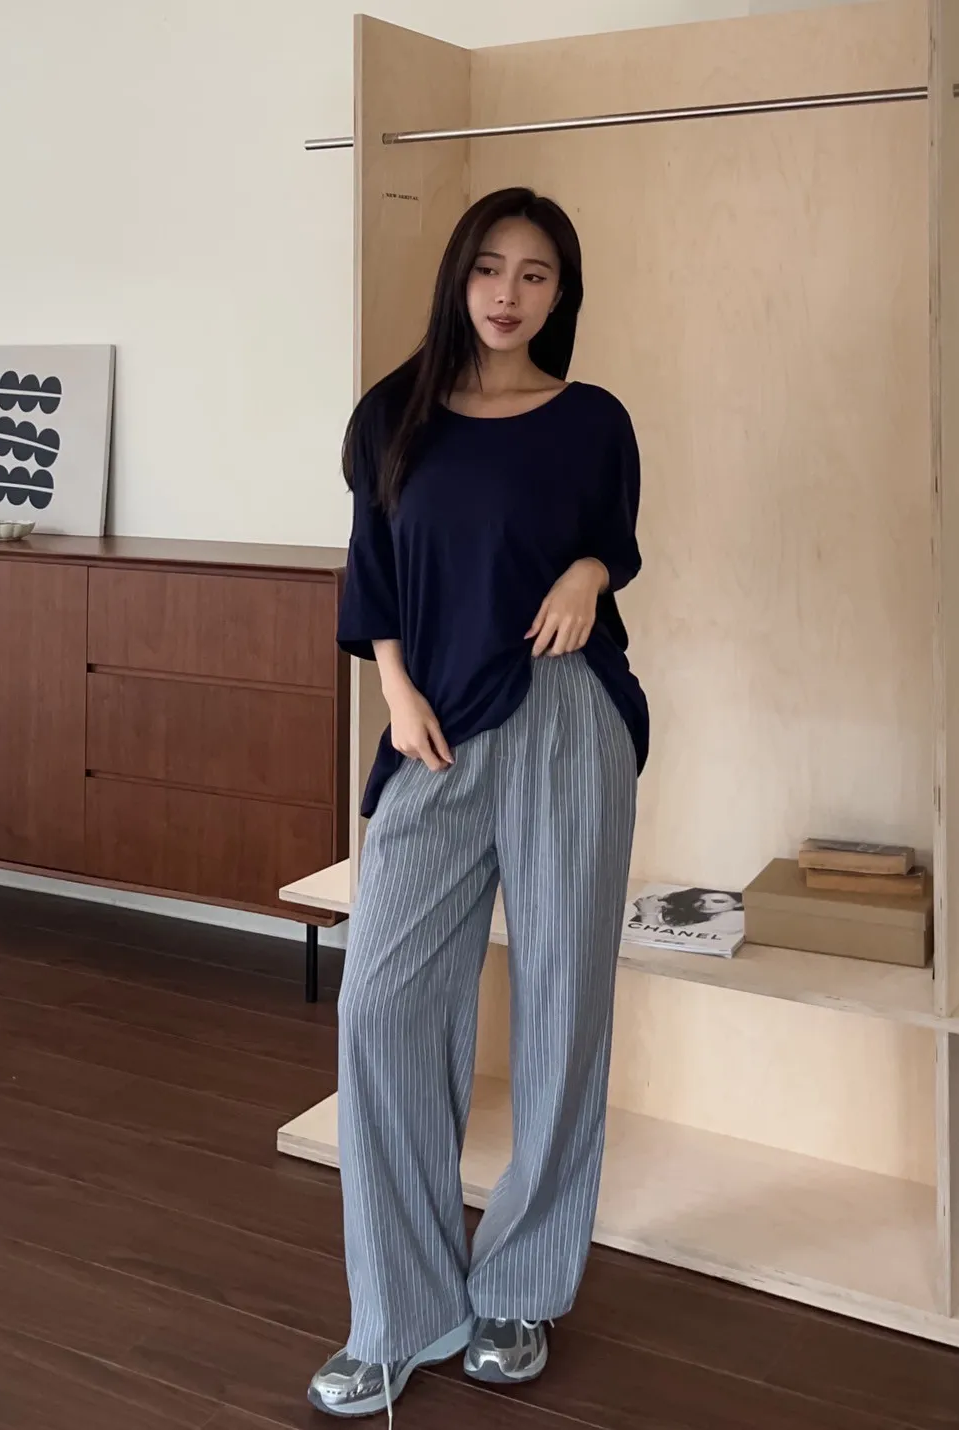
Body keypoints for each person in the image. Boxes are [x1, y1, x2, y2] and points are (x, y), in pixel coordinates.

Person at [308, 186, 650, 1422]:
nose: (509, 293)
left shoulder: (591, 418)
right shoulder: (390, 414)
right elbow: (372, 572)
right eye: (490, 267)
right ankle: (400, 1311)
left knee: (562, 1000)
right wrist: (394, 691)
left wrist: (588, 565)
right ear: (458, 277)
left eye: (537, 274)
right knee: (381, 1005)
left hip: (566, 713)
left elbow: (614, 538)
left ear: (561, 294)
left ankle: (518, 1285)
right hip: (433, 724)